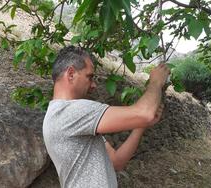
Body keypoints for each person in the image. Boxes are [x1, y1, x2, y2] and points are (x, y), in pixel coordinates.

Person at [43, 45, 170, 188]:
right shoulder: (69, 112)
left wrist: (141, 125)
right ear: (71, 74)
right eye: (89, 77)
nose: (94, 85)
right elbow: (145, 112)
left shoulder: (71, 119)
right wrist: (156, 81)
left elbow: (117, 161)